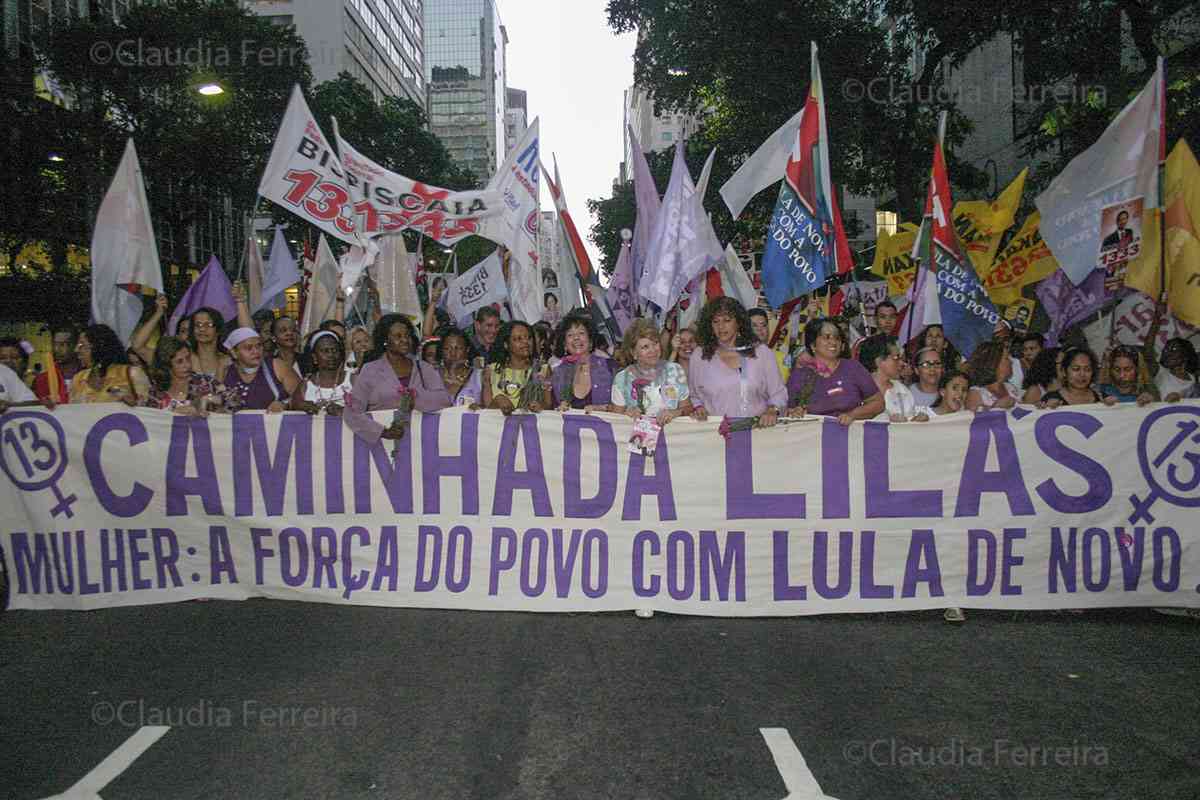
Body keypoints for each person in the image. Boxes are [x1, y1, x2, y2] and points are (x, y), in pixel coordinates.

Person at [344, 314, 452, 444]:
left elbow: (444, 400)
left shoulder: (424, 368)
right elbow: (352, 412)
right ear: (385, 340)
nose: (405, 340)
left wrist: (415, 400)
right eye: (398, 336)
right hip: (382, 446)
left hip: (422, 445)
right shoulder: (370, 370)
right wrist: (381, 432)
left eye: (407, 335)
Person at [688, 297, 788, 424]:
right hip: (714, 434)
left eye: (727, 320)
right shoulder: (699, 355)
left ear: (739, 322)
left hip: (757, 434)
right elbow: (694, 396)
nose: (721, 326)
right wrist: (698, 408)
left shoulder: (762, 353)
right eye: (715, 321)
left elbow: (779, 394)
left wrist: (772, 410)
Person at [784, 317, 882, 425]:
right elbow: (787, 411)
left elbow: (878, 403)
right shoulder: (800, 374)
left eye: (837, 338)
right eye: (827, 337)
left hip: (850, 436)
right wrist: (795, 412)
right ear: (813, 345)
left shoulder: (853, 368)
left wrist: (852, 415)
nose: (833, 342)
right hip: (812, 437)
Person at [610, 319, 692, 419]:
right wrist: (626, 414)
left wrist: (676, 412)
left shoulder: (676, 370)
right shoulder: (622, 379)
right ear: (633, 353)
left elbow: (688, 408)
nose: (653, 350)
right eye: (645, 347)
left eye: (655, 343)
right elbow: (615, 421)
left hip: (672, 434)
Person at [548, 314, 617, 411]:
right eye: (570, 335)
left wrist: (603, 408)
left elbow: (625, 405)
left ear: (590, 341)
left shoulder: (610, 367)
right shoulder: (558, 372)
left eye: (581, 333)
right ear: (565, 345)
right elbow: (551, 410)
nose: (576, 338)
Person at [69, 324, 150, 404]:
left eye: (81, 345)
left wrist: (132, 402)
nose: (76, 350)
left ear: (99, 347)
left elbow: (148, 410)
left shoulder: (131, 374)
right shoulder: (78, 379)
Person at [480, 321, 549, 414]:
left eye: (529, 338)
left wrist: (540, 407)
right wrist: (499, 401)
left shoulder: (543, 370)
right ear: (506, 344)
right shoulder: (491, 370)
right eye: (518, 339)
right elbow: (485, 411)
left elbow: (550, 406)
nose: (526, 342)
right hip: (498, 427)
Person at [141, 336, 221, 414]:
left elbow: (230, 400)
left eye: (188, 358)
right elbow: (148, 419)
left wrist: (209, 399)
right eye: (179, 361)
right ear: (166, 366)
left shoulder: (206, 382)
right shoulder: (156, 393)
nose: (187, 365)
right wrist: (173, 413)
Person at [219, 327, 294, 412]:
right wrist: (220, 368)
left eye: (259, 346)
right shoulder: (226, 371)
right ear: (234, 353)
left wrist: (284, 404)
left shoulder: (276, 366)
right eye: (248, 348)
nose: (256, 351)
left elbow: (302, 398)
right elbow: (214, 403)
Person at [859, 334, 928, 422]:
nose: (902, 363)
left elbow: (909, 424)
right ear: (879, 361)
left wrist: (916, 421)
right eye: (896, 358)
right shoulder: (857, 390)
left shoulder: (902, 390)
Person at [291, 331, 353, 415]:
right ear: (315, 357)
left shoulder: (354, 380)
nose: (331, 354)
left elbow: (367, 409)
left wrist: (344, 411)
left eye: (335, 350)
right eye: (325, 351)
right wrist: (303, 406)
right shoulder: (305, 385)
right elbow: (293, 406)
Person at [33, 322, 82, 403]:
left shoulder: (87, 375)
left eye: (63, 344)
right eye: (55, 344)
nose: (57, 349)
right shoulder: (42, 379)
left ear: (76, 346)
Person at [1041, 347, 1105, 407]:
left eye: (1087, 369)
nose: (1082, 374)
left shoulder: (1103, 398)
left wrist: (1113, 406)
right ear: (1064, 371)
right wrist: (1044, 408)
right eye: (1076, 369)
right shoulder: (1050, 398)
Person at [965, 340, 1018, 411]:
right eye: (1006, 358)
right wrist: (996, 407)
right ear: (994, 363)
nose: (1011, 361)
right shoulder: (976, 393)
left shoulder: (1010, 388)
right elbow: (971, 419)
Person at [435, 328, 482, 406]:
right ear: (441, 351)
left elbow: (489, 408)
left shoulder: (480, 376)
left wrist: (478, 408)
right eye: (447, 349)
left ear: (467, 350)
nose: (453, 353)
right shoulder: (430, 375)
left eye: (459, 348)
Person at [187, 307, 231, 379]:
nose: (202, 329)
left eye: (209, 324)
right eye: (198, 325)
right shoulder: (185, 359)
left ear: (218, 329)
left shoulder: (228, 361)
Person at [748, 307, 789, 382]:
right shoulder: (737, 358)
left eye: (763, 325)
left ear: (768, 328)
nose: (759, 329)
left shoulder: (784, 358)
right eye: (754, 325)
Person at [270, 315, 302, 382]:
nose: (289, 333)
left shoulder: (307, 361)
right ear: (273, 337)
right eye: (283, 330)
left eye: (293, 330)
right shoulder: (269, 364)